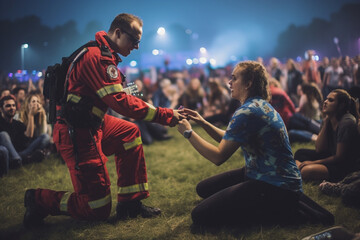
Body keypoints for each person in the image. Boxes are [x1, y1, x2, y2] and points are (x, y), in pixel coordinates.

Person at [23, 13, 183, 228]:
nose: (136, 46)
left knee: (129, 133)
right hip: (77, 134)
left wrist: (148, 105)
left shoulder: (104, 55)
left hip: (91, 125)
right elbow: (120, 102)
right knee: (96, 208)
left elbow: (122, 97)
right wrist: (166, 114)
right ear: (117, 33)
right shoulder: (97, 57)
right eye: (134, 40)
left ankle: (130, 205)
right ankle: (38, 200)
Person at [177, 61, 333, 229]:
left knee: (200, 217)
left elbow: (218, 156)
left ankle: (280, 211)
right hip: (262, 174)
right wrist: (202, 121)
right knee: (204, 189)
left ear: (249, 83)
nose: (229, 82)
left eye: (234, 78)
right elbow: (230, 138)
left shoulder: (248, 111)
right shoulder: (259, 105)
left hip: (273, 185)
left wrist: (189, 133)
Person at [295, 89, 360, 182]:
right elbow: (319, 149)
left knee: (306, 171)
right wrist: (326, 123)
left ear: (341, 105)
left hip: (344, 167)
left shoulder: (347, 122)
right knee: (300, 153)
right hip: (331, 157)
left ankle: (300, 170)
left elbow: (339, 158)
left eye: (331, 100)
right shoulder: (328, 119)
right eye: (326, 99)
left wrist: (312, 162)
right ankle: (302, 169)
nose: (325, 102)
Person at [0, 95, 46, 177]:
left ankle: (21, 159)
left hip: (19, 153)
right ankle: (24, 159)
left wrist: (31, 115)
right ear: (1, 109)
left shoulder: (17, 124)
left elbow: (27, 138)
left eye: (13, 105)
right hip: (5, 155)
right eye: (8, 106)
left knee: (44, 137)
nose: (12, 108)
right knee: (3, 135)